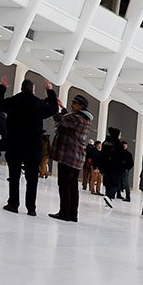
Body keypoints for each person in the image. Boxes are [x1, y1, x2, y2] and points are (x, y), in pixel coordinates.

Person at [0, 77, 60, 215]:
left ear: (22, 88)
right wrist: (50, 91)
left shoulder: (14, 101)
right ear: (33, 90)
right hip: (33, 146)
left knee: (14, 175)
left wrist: (2, 87)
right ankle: (31, 208)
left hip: (15, 144)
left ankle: (13, 203)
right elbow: (54, 108)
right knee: (32, 178)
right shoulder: (38, 104)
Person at [50, 93, 94, 222]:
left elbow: (61, 119)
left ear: (80, 106)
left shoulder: (76, 119)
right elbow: (67, 118)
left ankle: (64, 213)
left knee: (64, 185)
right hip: (78, 157)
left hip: (68, 156)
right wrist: (62, 108)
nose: (72, 104)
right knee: (73, 186)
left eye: (74, 103)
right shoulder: (84, 119)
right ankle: (73, 214)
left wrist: (52, 106)